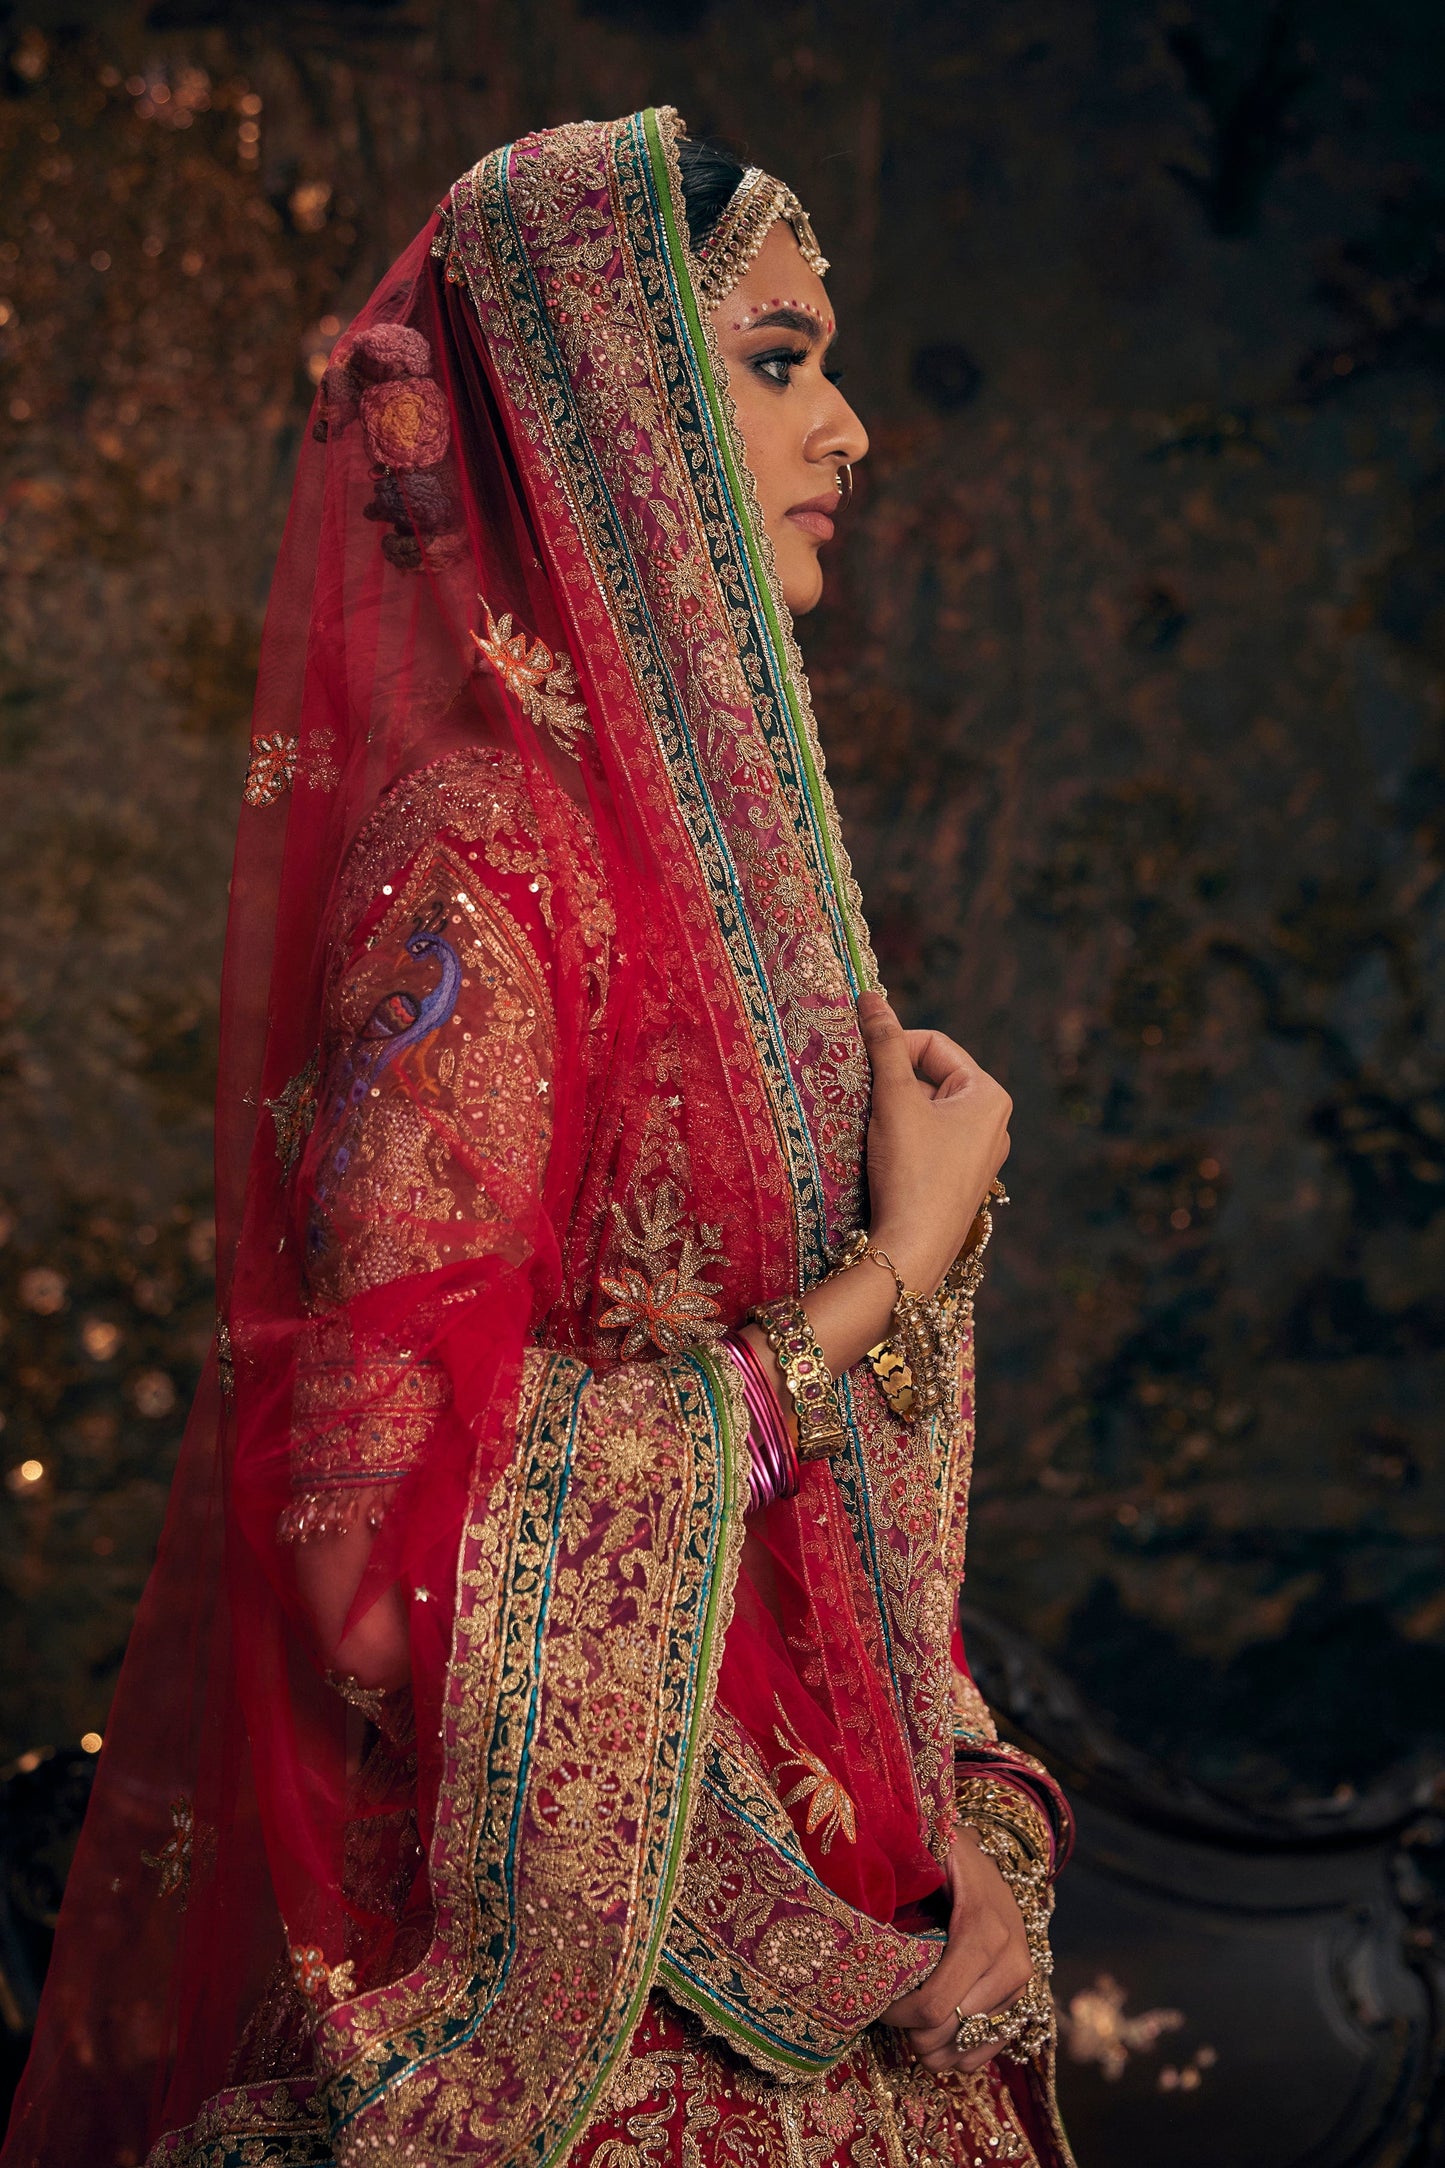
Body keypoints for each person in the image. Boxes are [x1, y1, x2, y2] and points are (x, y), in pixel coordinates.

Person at [1, 110, 1076, 2168]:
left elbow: (837, 1549)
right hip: (572, 2027)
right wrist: (888, 1276)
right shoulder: (485, 870)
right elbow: (365, 1567)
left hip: (846, 1963)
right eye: (776, 361)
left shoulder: (755, 895)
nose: (847, 428)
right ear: (611, 396)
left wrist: (973, 1856)